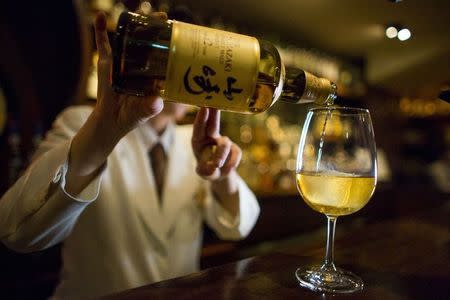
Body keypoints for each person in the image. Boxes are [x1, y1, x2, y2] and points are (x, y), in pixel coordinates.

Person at [0, 12, 260, 299]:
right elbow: (17, 230)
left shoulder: (198, 142)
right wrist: (101, 134)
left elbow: (240, 227)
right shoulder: (85, 125)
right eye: (184, 57)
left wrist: (224, 178)